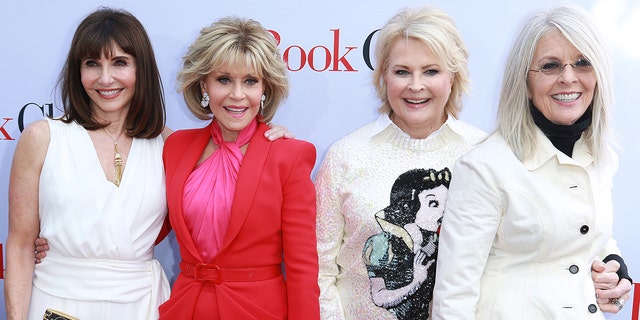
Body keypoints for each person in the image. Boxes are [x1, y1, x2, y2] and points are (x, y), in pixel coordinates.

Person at [432, 5, 632, 319]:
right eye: (550, 66)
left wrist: (614, 267)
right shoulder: (485, 168)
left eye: (583, 63)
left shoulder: (602, 157)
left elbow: (586, 232)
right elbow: (453, 297)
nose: (568, 78)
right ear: (524, 81)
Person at [314, 6, 487, 319]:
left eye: (431, 71)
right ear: (383, 76)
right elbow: (319, 270)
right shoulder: (344, 156)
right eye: (402, 71)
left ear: (453, 78)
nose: (416, 85)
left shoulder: (483, 154)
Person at [4, 7, 171, 320]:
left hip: (143, 305)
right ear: (77, 71)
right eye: (92, 63)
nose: (105, 78)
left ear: (141, 69)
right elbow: (21, 244)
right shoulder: (42, 137)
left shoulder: (167, 144)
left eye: (120, 62)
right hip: (57, 302)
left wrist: (273, 134)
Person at [157, 16, 320, 319]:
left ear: (265, 88)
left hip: (257, 311)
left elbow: (302, 268)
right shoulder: (176, 147)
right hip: (185, 307)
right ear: (203, 84)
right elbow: (146, 226)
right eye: (223, 80)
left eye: (250, 81)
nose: (237, 95)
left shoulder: (289, 156)